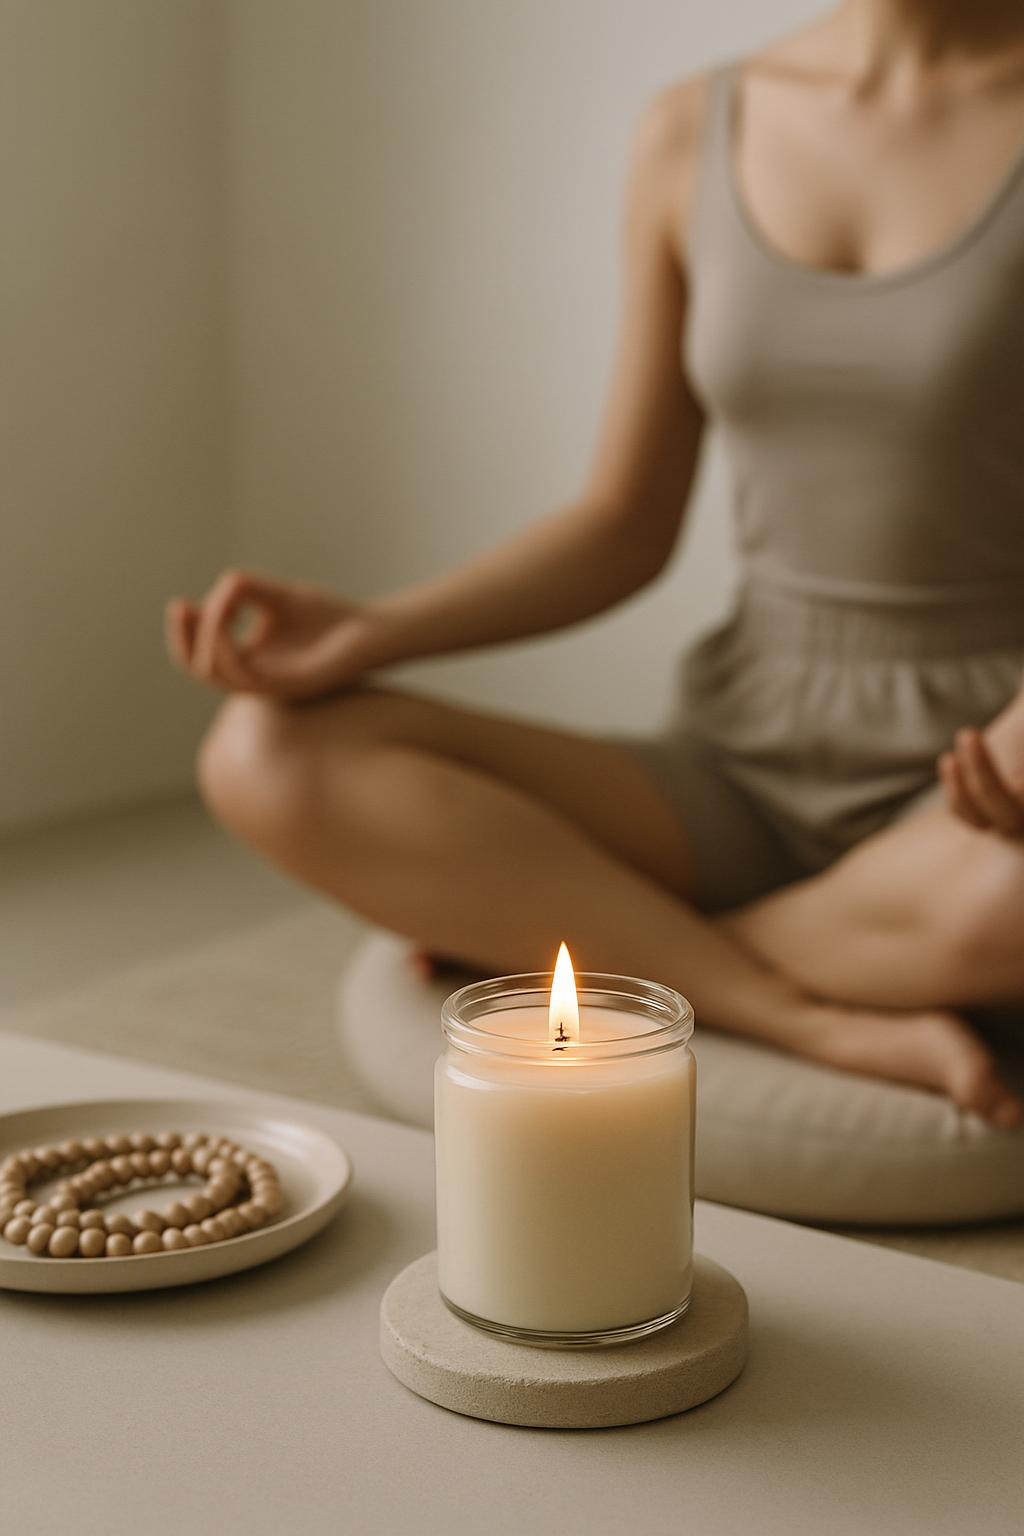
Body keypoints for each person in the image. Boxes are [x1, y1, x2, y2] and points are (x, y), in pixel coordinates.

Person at [167, 0, 1024, 1127]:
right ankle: (799, 1004)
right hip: (740, 763)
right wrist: (374, 632)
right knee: (266, 753)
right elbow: (623, 521)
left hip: (985, 784)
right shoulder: (692, 128)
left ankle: (617, 950)